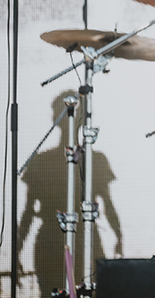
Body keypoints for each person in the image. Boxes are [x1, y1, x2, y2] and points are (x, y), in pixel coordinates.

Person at [19, 90, 123, 297]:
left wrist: (119, 237)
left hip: (76, 242)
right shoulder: (91, 160)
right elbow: (28, 212)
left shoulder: (46, 161)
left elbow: (28, 212)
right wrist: (119, 237)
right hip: (65, 243)